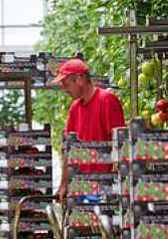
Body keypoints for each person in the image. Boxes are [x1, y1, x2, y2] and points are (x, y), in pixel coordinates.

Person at [51, 58, 126, 204]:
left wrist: (115, 185)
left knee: (101, 225)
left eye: (66, 84)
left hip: (104, 187)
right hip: (81, 187)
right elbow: (68, 149)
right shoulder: (74, 108)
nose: (65, 90)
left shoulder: (107, 100)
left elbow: (120, 143)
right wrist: (64, 184)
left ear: (79, 80)